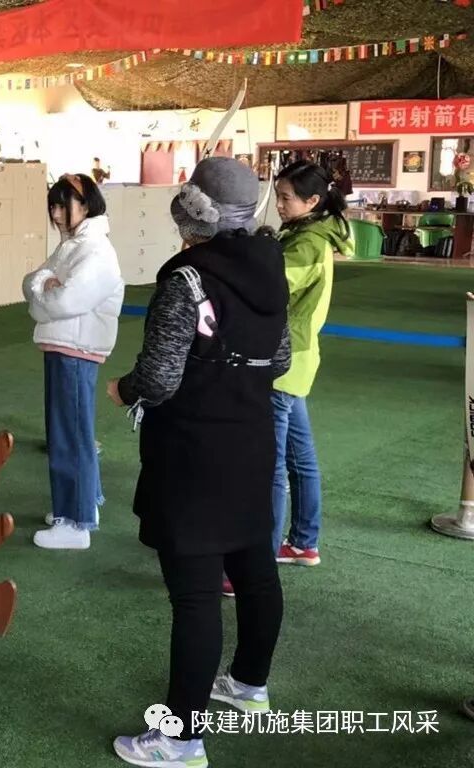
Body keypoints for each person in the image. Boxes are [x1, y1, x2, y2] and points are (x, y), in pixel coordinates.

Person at [107, 157, 291, 767]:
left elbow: (159, 378)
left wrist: (124, 390)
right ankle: (249, 684)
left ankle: (181, 739)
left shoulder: (187, 280)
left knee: (194, 596)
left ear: (190, 215)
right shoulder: (270, 267)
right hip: (251, 440)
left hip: (193, 450)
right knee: (255, 569)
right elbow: (280, 360)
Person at [22, 173, 123, 550]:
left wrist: (44, 291)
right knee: (70, 432)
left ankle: (76, 521)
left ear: (86, 205)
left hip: (75, 349)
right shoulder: (73, 246)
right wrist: (44, 286)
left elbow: (64, 300)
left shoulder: (94, 250)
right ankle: (84, 505)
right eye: (53, 205)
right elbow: (31, 281)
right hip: (65, 346)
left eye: (64, 205)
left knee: (70, 435)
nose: (56, 213)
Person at [270, 160, 352, 567]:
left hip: (282, 359)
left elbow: (268, 289)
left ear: (313, 201)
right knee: (299, 458)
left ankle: (260, 556)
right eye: (278, 196)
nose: (279, 204)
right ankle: (303, 542)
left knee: (270, 466)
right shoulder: (310, 234)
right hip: (298, 358)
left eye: (286, 198)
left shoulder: (305, 243)